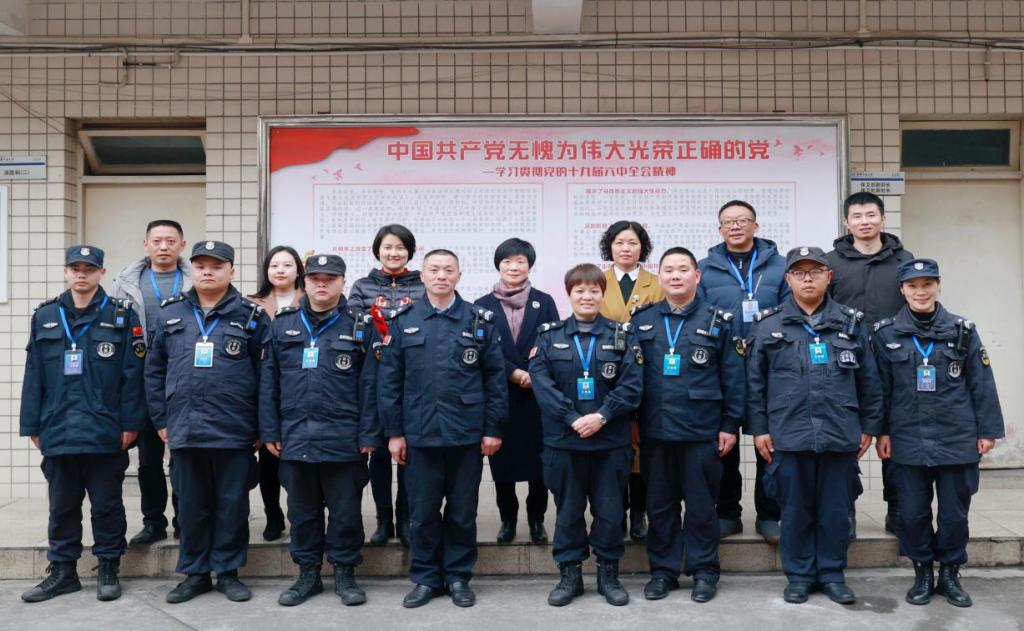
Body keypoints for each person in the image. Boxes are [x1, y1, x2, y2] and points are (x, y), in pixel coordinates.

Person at [746, 246, 882, 606]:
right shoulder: (769, 324)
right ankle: (800, 576)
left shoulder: (851, 323)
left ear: (828, 276)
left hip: (840, 431)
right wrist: (760, 429)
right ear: (788, 279)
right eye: (799, 272)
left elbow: (870, 380)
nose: (808, 278)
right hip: (788, 434)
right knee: (795, 510)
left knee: (835, 511)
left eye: (815, 271)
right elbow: (754, 383)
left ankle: (833, 574)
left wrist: (869, 425)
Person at [378, 249, 508, 609]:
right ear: (422, 276)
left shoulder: (479, 320)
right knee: (422, 513)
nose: (441, 276)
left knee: (463, 512)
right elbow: (389, 382)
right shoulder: (404, 321)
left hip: (466, 434)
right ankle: (426, 578)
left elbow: (495, 379)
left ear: (459, 276)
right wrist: (394, 433)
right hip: (419, 435)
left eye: (448, 270)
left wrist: (493, 428)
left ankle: (458, 577)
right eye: (434, 270)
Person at [872, 258, 1004, 608]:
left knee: (953, 513)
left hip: (956, 436)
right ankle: (922, 573)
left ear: (938, 286)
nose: (921, 292)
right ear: (902, 290)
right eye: (913, 286)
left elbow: (981, 383)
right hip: (907, 437)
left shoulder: (963, 330)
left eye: (927, 285)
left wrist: (987, 430)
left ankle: (949, 573)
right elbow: (880, 389)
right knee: (912, 513)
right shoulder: (886, 334)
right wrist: (882, 432)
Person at [146, 240, 271, 604]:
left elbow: (266, 376)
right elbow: (153, 371)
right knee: (190, 506)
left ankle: (228, 572)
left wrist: (260, 427)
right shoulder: (171, 313)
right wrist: (161, 419)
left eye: (216, 266)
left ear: (231, 271)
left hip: (234, 429)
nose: (207, 272)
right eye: (200, 266)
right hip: (184, 427)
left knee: (232, 505)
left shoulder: (251, 316)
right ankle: (195, 573)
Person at [20, 246, 145, 603]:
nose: (81, 274)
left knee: (106, 505)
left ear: (101, 273)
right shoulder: (45, 316)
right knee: (61, 506)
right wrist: (32, 425)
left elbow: (132, 376)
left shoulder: (121, 315)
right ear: (65, 272)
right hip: (57, 429)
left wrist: (131, 423)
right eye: (75, 268)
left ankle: (108, 567)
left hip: (105, 430)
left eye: (89, 269)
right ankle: (63, 571)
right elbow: (33, 374)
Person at [261, 254, 381, 607]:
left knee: (345, 513)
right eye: (315, 278)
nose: (322, 284)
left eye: (331, 278)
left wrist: (369, 434)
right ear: (305, 282)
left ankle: (345, 573)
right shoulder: (282, 324)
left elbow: (372, 385)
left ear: (344, 282)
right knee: (302, 513)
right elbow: (269, 382)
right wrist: (270, 430)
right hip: (295, 436)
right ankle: (308, 575)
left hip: (344, 439)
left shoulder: (361, 325)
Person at [631, 247, 744, 603]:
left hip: (702, 431)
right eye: (668, 270)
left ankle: (704, 571)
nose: (675, 276)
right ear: (659, 276)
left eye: (683, 269)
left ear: (697, 276)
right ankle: (663, 572)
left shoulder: (718, 321)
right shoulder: (642, 321)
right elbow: (631, 379)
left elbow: (733, 377)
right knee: (660, 506)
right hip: (655, 431)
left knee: (701, 507)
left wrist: (729, 425)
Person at [530, 263, 643, 607]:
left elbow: (632, 385)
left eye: (594, 290)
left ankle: (609, 575)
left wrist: (602, 415)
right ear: (569, 294)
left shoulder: (622, 335)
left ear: (602, 294)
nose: (587, 296)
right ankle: (570, 576)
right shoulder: (548, 336)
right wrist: (572, 417)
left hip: (610, 441)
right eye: (579, 290)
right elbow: (542, 385)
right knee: (568, 511)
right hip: (564, 442)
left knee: (610, 511)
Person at [697, 200, 789, 543]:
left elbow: (788, 311)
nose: (735, 226)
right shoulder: (704, 269)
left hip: (770, 365)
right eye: (728, 222)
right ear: (720, 229)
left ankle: (770, 514)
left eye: (742, 220)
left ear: (756, 225)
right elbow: (700, 316)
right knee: (724, 442)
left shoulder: (781, 267)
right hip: (722, 365)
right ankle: (727, 512)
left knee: (770, 442)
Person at [827, 191, 915, 534]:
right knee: (847, 436)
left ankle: (898, 508)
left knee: (896, 435)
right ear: (846, 222)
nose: (864, 221)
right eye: (857, 216)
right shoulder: (831, 263)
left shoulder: (903, 260)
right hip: (846, 364)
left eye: (870, 215)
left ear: (883, 218)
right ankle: (845, 510)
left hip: (896, 361)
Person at [110, 219, 189, 546]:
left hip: (184, 377)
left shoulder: (194, 279)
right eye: (157, 241)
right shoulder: (126, 283)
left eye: (170, 240)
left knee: (183, 456)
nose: (164, 246)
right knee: (149, 459)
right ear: (146, 245)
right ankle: (153, 521)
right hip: (142, 379)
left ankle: (185, 520)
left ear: (182, 245)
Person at [476, 238, 558, 544]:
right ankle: (507, 519)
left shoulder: (544, 301)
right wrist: (513, 372)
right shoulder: (482, 305)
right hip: (500, 394)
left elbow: (553, 343)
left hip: (537, 396)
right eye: (507, 261)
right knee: (502, 463)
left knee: (540, 463)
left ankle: (537, 519)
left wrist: (533, 374)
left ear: (529, 265)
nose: (514, 267)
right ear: (498, 265)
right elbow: (482, 349)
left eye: (520, 261)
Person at [349, 224, 423, 547]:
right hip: (372, 379)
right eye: (388, 247)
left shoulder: (422, 285)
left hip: (411, 380)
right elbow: (353, 328)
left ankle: (405, 518)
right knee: (378, 453)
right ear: (377, 250)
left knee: (409, 453)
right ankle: (383, 519)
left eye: (400, 248)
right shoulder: (362, 286)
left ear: (410, 252)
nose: (394, 253)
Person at [598, 220, 662, 542]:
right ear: (609, 247)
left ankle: (639, 512)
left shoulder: (657, 283)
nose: (626, 248)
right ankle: (616, 513)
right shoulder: (598, 282)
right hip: (607, 376)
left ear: (643, 247)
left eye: (632, 243)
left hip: (646, 373)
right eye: (619, 242)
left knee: (642, 450)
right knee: (615, 448)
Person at [248, 245, 306, 542]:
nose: (280, 270)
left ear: (298, 270)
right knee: (268, 462)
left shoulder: (311, 300)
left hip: (300, 389)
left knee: (298, 465)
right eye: (274, 266)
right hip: (263, 389)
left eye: (287, 265)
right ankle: (273, 515)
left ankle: (302, 517)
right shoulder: (250, 305)